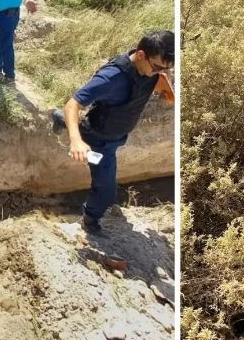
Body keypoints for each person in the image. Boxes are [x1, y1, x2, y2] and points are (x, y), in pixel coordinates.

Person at [54, 30, 175, 235]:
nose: (160, 73)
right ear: (140, 55)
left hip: (116, 137)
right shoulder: (111, 78)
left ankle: (61, 122)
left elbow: (160, 80)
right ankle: (90, 220)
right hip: (99, 140)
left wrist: (166, 85)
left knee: (106, 177)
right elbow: (73, 104)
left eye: (166, 69)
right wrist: (75, 141)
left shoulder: (151, 70)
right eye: (157, 68)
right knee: (106, 192)